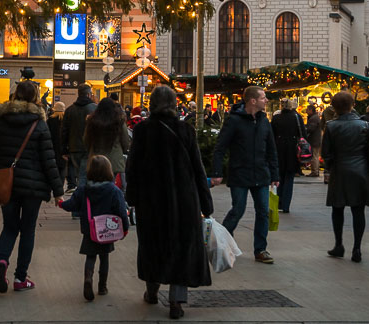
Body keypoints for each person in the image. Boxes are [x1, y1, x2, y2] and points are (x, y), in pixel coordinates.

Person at [126, 85, 213, 320]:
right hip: (183, 200)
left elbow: (132, 167)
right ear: (175, 104)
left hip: (151, 200)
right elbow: (197, 168)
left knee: (153, 245)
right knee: (182, 247)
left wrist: (131, 198)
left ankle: (152, 291)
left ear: (152, 104)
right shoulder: (185, 130)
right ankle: (176, 301)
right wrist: (206, 203)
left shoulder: (143, 130)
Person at [0, 80, 63, 294]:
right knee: (28, 230)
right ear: (35, 98)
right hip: (33, 187)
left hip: (6, 184)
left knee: (10, 227)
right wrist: (58, 190)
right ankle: (20, 277)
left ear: (15, 96)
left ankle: (2, 262)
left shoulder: (1, 121)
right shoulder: (39, 123)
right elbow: (49, 159)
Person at [211, 86, 279, 264]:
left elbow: (271, 149)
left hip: (261, 174)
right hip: (240, 173)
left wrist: (275, 174)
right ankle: (223, 243)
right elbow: (220, 148)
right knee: (237, 210)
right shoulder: (234, 121)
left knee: (263, 212)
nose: (266, 100)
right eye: (263, 97)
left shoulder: (264, 121)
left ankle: (260, 249)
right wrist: (217, 172)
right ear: (252, 101)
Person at [57, 155, 129, 302]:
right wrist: (125, 228)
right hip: (107, 231)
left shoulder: (83, 189)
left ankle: (88, 278)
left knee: (90, 256)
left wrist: (60, 203)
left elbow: (72, 205)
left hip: (90, 230)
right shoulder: (114, 191)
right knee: (104, 258)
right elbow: (121, 211)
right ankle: (102, 286)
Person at [322, 90, 369, 263]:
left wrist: (332, 164)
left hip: (340, 170)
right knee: (358, 210)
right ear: (352, 105)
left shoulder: (332, 126)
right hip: (361, 170)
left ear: (334, 107)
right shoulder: (363, 125)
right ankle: (357, 248)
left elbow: (326, 153)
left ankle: (339, 244)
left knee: (337, 209)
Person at [83, 96, 131, 188]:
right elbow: (125, 140)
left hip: (96, 157)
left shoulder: (92, 121)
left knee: (95, 184)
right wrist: (124, 150)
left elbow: (86, 139)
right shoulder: (119, 121)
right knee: (111, 185)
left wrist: (90, 150)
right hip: (114, 159)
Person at [271, 97, 305, 213]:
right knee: (289, 177)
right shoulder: (297, 117)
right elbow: (303, 134)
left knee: (279, 176)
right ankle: (286, 205)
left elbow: (271, 134)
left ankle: (279, 203)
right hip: (292, 149)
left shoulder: (276, 118)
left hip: (278, 148)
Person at [62, 84, 97, 191]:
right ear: (88, 94)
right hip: (90, 147)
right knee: (84, 175)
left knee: (81, 173)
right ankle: (83, 199)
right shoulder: (94, 109)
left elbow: (64, 131)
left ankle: (84, 198)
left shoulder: (69, 110)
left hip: (74, 148)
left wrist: (64, 150)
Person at [46, 101, 67, 184]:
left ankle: (54, 183)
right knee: (62, 166)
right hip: (63, 146)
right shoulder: (65, 119)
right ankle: (61, 183)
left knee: (54, 166)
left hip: (53, 146)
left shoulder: (50, 119)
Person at [305, 104, 322, 177]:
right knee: (316, 155)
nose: (306, 111)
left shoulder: (314, 118)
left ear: (311, 110)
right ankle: (315, 171)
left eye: (307, 109)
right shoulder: (315, 117)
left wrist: (305, 129)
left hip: (314, 140)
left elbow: (311, 129)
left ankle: (314, 171)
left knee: (314, 156)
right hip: (316, 140)